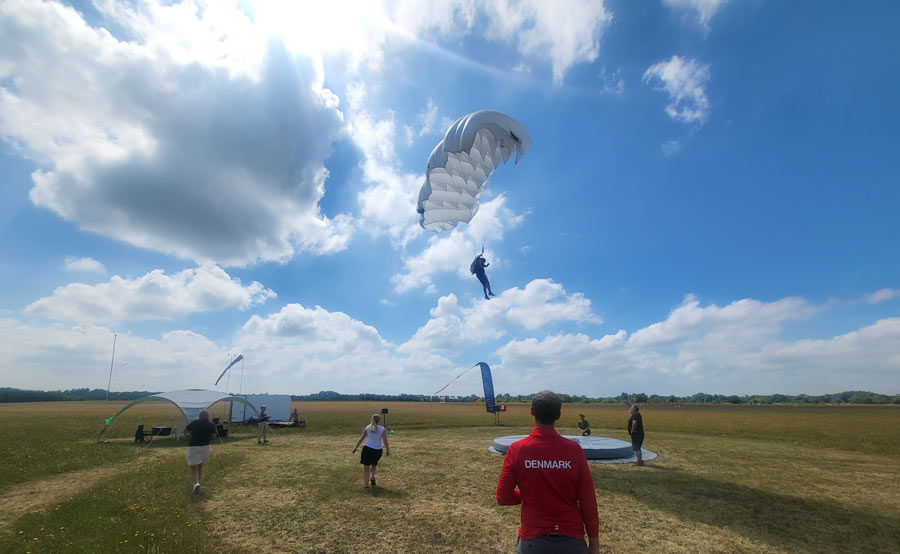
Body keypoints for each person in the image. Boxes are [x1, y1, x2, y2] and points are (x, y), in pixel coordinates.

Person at [497, 391, 600, 554]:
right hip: (572, 541)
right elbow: (588, 502)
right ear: (558, 415)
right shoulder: (574, 451)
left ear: (532, 411)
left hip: (533, 541)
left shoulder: (517, 450)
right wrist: (594, 543)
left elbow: (503, 497)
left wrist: (529, 496)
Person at [352, 414, 390, 490]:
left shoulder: (368, 427)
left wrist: (356, 447)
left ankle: (366, 486)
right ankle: (372, 477)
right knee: (374, 464)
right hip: (378, 450)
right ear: (379, 420)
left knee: (366, 469)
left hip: (367, 449)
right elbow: (385, 441)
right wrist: (387, 450)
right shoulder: (382, 429)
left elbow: (361, 439)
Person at [185, 409, 217, 495]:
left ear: (199, 416)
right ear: (208, 416)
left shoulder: (194, 423)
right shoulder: (211, 425)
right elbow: (214, 436)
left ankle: (196, 483)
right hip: (205, 448)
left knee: (194, 469)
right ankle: (198, 482)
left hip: (194, 447)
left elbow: (185, 430)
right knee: (200, 467)